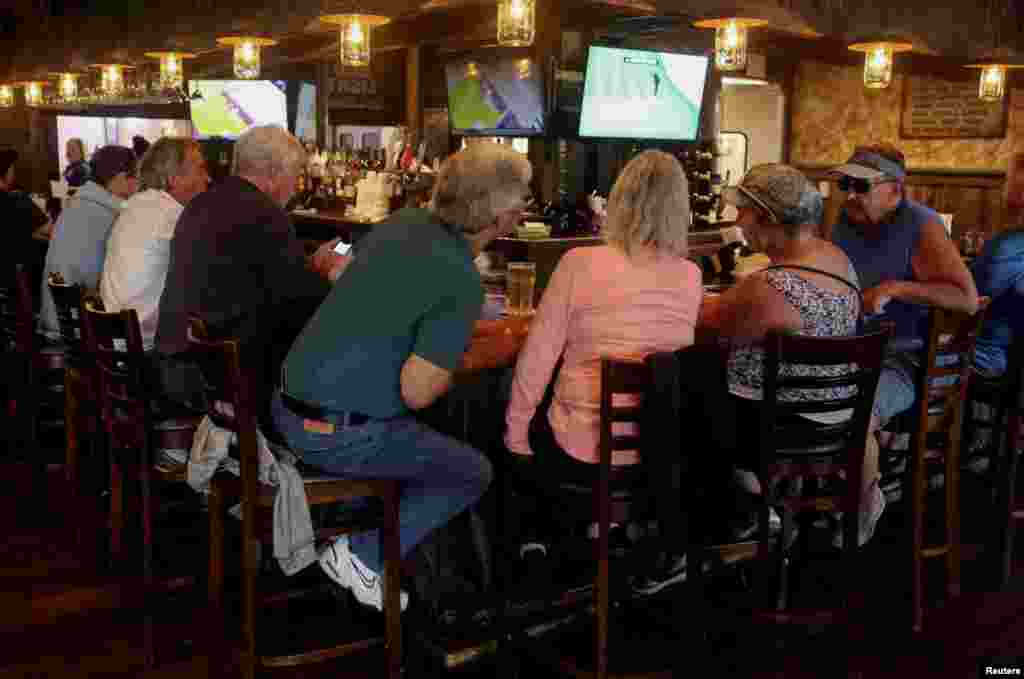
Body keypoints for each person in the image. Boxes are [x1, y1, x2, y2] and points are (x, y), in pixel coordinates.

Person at [271, 142, 524, 611]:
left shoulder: (404, 223)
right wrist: (486, 354)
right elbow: (418, 390)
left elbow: (371, 297)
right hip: (337, 434)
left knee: (431, 444)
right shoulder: (461, 278)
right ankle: (362, 556)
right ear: (502, 216)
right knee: (470, 470)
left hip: (285, 407)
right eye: (522, 198)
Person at [700, 164, 881, 545]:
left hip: (775, 430)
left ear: (766, 218)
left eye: (743, 212)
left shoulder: (771, 285)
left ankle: (731, 515)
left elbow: (711, 328)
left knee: (684, 382)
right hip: (837, 422)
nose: (738, 220)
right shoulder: (838, 259)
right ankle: (755, 505)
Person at [154, 125, 345, 413]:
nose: (295, 187)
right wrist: (334, 277)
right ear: (272, 173)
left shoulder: (200, 204)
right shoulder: (266, 214)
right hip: (223, 381)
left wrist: (307, 268)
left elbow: (244, 277)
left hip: (177, 362)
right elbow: (302, 304)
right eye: (294, 175)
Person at [829, 145, 979, 490]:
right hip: (855, 351)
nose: (850, 194)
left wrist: (895, 288)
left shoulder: (921, 223)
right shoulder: (845, 220)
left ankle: (862, 502)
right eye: (845, 184)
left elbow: (967, 298)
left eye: (862, 186)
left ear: (895, 189)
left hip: (910, 359)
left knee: (851, 414)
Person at [100, 137, 210, 351]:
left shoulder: (134, 205)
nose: (207, 177)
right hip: (142, 347)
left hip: (111, 338)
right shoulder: (172, 214)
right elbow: (207, 277)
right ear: (174, 178)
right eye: (200, 170)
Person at [38, 145, 138, 337]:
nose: (137, 186)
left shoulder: (79, 202)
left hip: (55, 318)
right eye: (135, 178)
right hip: (79, 330)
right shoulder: (109, 214)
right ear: (120, 177)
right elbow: (111, 281)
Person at [972, 152, 1024, 377]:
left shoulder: (1006, 247)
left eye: (1007, 178)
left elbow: (965, 298)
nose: (1004, 185)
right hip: (1008, 353)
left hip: (984, 353)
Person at [0, 149, 51, 281]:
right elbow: (50, 230)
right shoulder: (16, 198)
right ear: (8, 172)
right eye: (12, 168)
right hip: (21, 277)